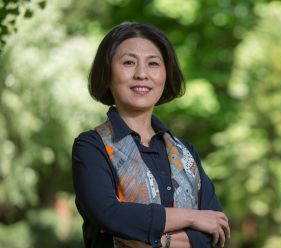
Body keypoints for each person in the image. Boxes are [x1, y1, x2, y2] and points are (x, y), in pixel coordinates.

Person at [72, 22, 230, 248]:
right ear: (107, 74)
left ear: (166, 75)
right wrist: (193, 217)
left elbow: (216, 230)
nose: (142, 74)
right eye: (129, 62)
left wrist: (143, 237)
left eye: (153, 64)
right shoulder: (91, 146)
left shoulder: (185, 153)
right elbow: (108, 214)